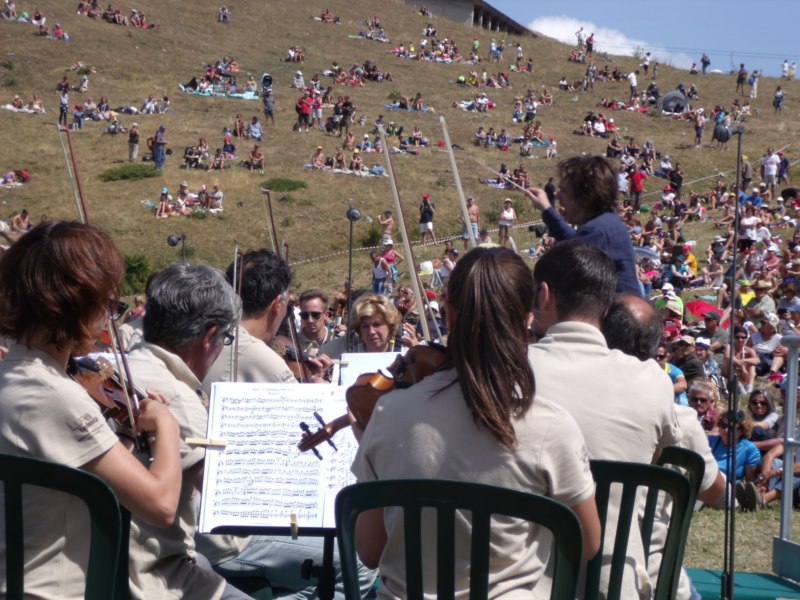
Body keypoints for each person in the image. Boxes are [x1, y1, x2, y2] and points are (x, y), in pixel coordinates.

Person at [352, 247, 601, 596]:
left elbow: (368, 550)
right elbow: (587, 544)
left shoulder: (388, 412)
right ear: (527, 317)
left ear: (449, 314)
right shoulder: (550, 425)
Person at [0, 221, 182, 599]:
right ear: (79, 306)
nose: (107, 319)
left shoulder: (12, 376)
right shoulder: (54, 394)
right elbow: (161, 506)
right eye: (107, 307)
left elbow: (88, 470)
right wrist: (166, 424)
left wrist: (128, 437)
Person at [529, 240, 680, 599]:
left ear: (545, 295)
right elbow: (659, 460)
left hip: (530, 583)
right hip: (616, 583)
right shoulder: (653, 381)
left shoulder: (511, 373)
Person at [124, 263, 255, 599]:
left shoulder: (118, 368)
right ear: (209, 336)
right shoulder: (176, 396)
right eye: (226, 337)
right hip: (155, 576)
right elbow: (227, 500)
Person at [526, 155, 641, 295]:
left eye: (564, 190)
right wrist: (547, 209)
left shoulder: (597, 230)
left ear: (585, 197)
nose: (558, 196)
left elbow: (574, 248)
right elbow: (574, 240)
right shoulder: (606, 223)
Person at [320, 293, 401, 359]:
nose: (371, 332)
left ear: (390, 326)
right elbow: (321, 354)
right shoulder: (348, 351)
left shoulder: (402, 353)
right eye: (365, 326)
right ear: (359, 330)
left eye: (376, 324)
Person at [296, 288, 334, 355]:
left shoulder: (336, 341)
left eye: (315, 314)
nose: (310, 320)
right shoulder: (292, 342)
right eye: (304, 315)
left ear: (326, 315)